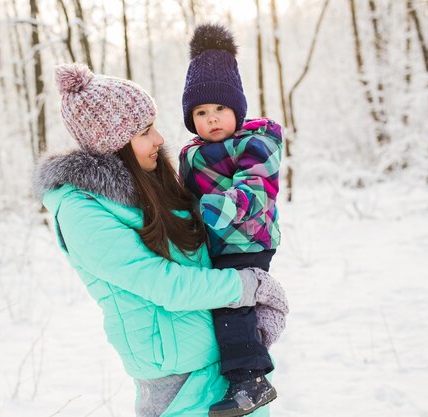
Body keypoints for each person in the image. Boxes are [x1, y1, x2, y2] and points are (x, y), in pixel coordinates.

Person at [34, 63, 288, 417]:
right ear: (116, 144)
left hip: (227, 364)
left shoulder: (155, 180)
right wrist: (247, 286)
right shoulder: (81, 211)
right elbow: (161, 283)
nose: (160, 139)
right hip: (179, 383)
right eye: (145, 132)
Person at [178, 24, 286, 417]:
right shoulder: (190, 155)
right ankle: (237, 367)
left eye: (220, 109)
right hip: (214, 242)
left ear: (237, 108)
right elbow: (181, 196)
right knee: (215, 304)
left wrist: (200, 211)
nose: (212, 119)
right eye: (201, 112)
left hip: (249, 239)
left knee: (230, 302)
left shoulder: (258, 140)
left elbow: (255, 193)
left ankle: (251, 381)